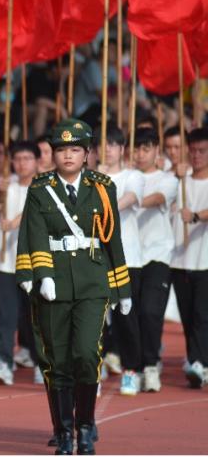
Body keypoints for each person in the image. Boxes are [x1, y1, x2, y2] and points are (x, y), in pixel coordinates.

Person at [16, 118, 131, 455]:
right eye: (62, 149)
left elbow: (112, 239)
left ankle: (85, 426)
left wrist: (122, 287)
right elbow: (32, 232)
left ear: (87, 153)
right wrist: (42, 275)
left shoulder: (103, 187)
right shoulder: (40, 188)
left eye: (75, 149)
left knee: (86, 353)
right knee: (58, 361)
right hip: (53, 283)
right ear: (53, 154)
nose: (68, 155)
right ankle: (64, 431)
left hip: (92, 281)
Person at [97, 126, 146, 395]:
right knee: (95, 317)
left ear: (122, 149)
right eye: (102, 144)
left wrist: (100, 198)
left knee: (126, 317)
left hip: (126, 259)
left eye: (113, 144)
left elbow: (129, 199)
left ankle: (131, 370)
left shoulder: (133, 176)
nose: (107, 149)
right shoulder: (88, 177)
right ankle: (95, 368)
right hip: (96, 258)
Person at [0, 141, 40, 386]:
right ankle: (3, 363)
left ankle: (43, 363)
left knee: (38, 317)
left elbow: (33, 209)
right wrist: (1, 192)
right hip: (7, 262)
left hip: (35, 262)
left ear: (37, 162)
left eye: (27, 158)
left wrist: (14, 223)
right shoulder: (7, 184)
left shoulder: (45, 186)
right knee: (5, 315)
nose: (22, 163)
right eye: (17, 159)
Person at [132, 129, 178, 392]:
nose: (140, 154)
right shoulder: (126, 177)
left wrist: (129, 199)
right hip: (130, 255)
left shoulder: (167, 180)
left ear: (157, 151)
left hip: (158, 255)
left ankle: (150, 365)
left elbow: (158, 198)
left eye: (146, 148)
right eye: (136, 148)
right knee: (131, 315)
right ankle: (135, 367)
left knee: (150, 311)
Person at [173, 127, 208, 389]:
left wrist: (195, 216)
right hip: (179, 260)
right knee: (187, 315)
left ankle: (199, 363)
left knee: (201, 314)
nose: (196, 156)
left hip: (205, 260)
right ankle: (196, 361)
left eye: (202, 151)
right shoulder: (179, 179)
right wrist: (175, 174)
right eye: (193, 150)